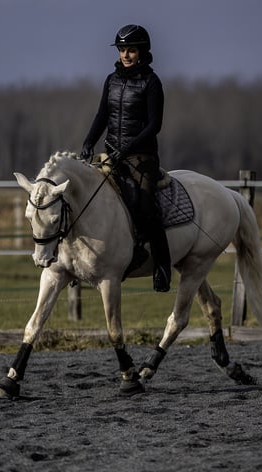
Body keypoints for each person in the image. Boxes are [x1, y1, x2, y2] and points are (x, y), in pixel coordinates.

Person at [80, 24, 171, 292]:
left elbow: (155, 125)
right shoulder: (111, 80)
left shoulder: (152, 83)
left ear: (142, 52)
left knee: (144, 205)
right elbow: (101, 117)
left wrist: (129, 146)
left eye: (131, 50)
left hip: (141, 156)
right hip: (111, 153)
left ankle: (162, 267)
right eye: (122, 50)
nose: (126, 55)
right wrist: (88, 142)